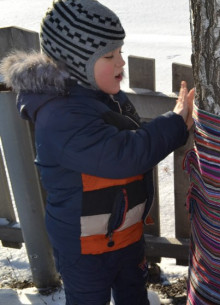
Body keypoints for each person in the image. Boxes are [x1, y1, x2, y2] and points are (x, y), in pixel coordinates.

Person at [0, 0, 194, 304]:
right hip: (85, 248)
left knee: (133, 294)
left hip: (122, 234)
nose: (121, 62)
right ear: (77, 65)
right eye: (109, 55)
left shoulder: (98, 98)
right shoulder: (61, 117)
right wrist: (174, 123)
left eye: (120, 51)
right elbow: (125, 156)